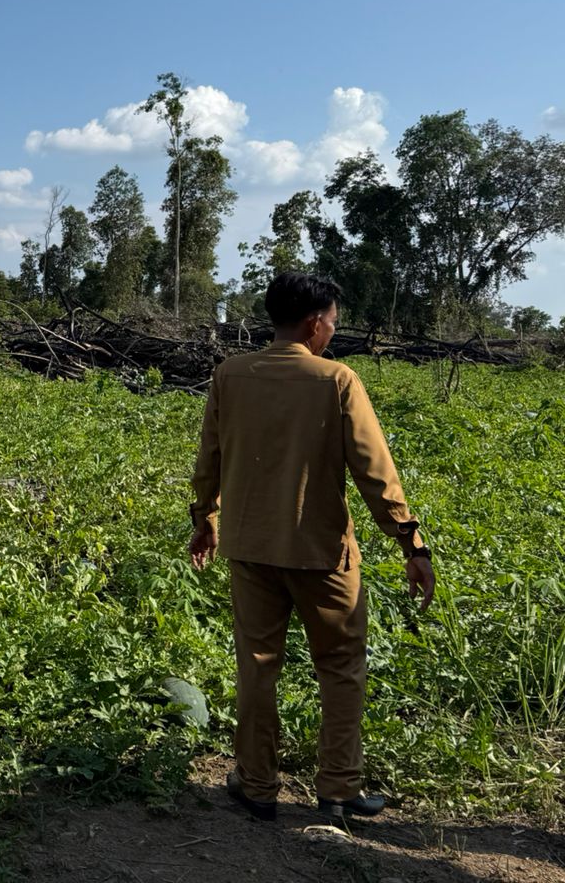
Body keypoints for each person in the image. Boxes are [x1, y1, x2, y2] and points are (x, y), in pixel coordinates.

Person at [189, 272, 435, 822]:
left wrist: (204, 517)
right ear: (312, 323)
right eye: (331, 322)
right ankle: (339, 790)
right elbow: (376, 474)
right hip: (322, 552)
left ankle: (255, 785)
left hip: (249, 548)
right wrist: (411, 542)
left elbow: (210, 457)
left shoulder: (230, 375)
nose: (332, 331)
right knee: (341, 665)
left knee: (256, 665)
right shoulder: (337, 381)